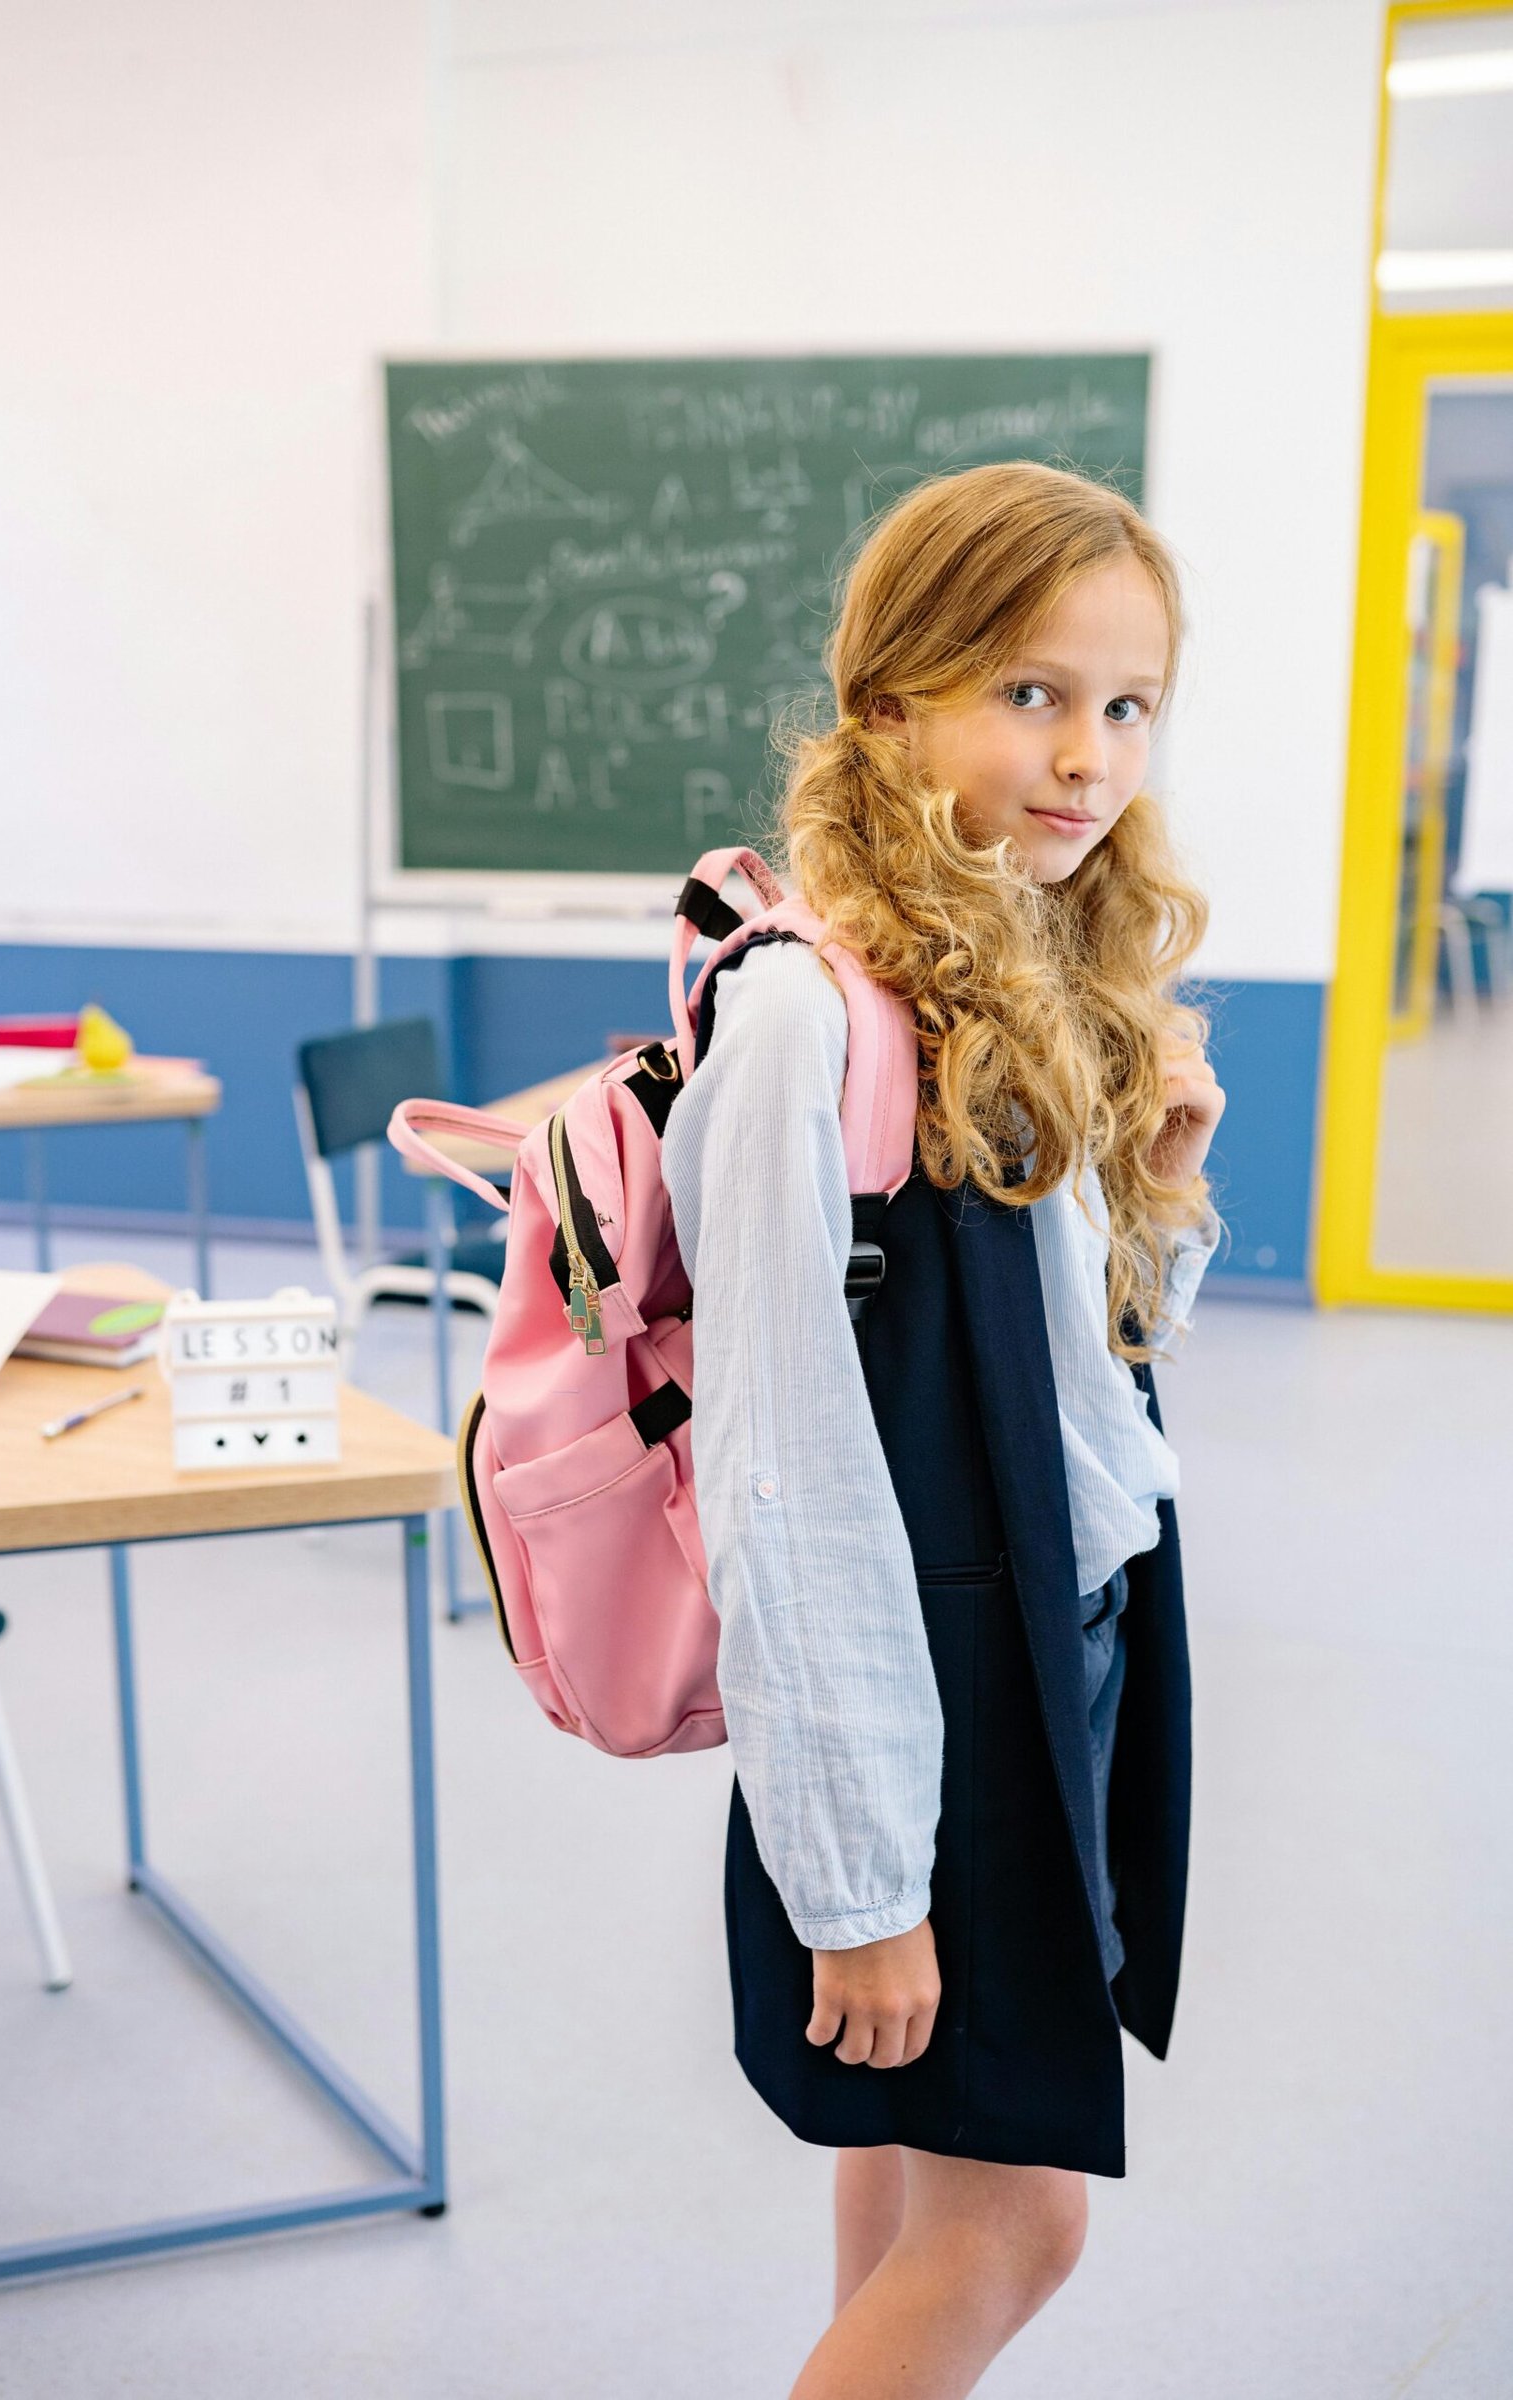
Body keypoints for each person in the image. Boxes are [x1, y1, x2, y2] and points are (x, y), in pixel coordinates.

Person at [660, 459, 1226, 2398]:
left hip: (1054, 1636)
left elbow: (1081, 1397)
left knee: (904, 2170)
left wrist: (1150, 1188)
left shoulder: (1037, 964)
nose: (1083, 758)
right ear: (889, 698)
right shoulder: (805, 1017)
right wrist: (857, 1884)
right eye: (1026, 692)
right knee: (1017, 2218)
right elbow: (782, 1476)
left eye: (1125, 703)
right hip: (924, 1691)